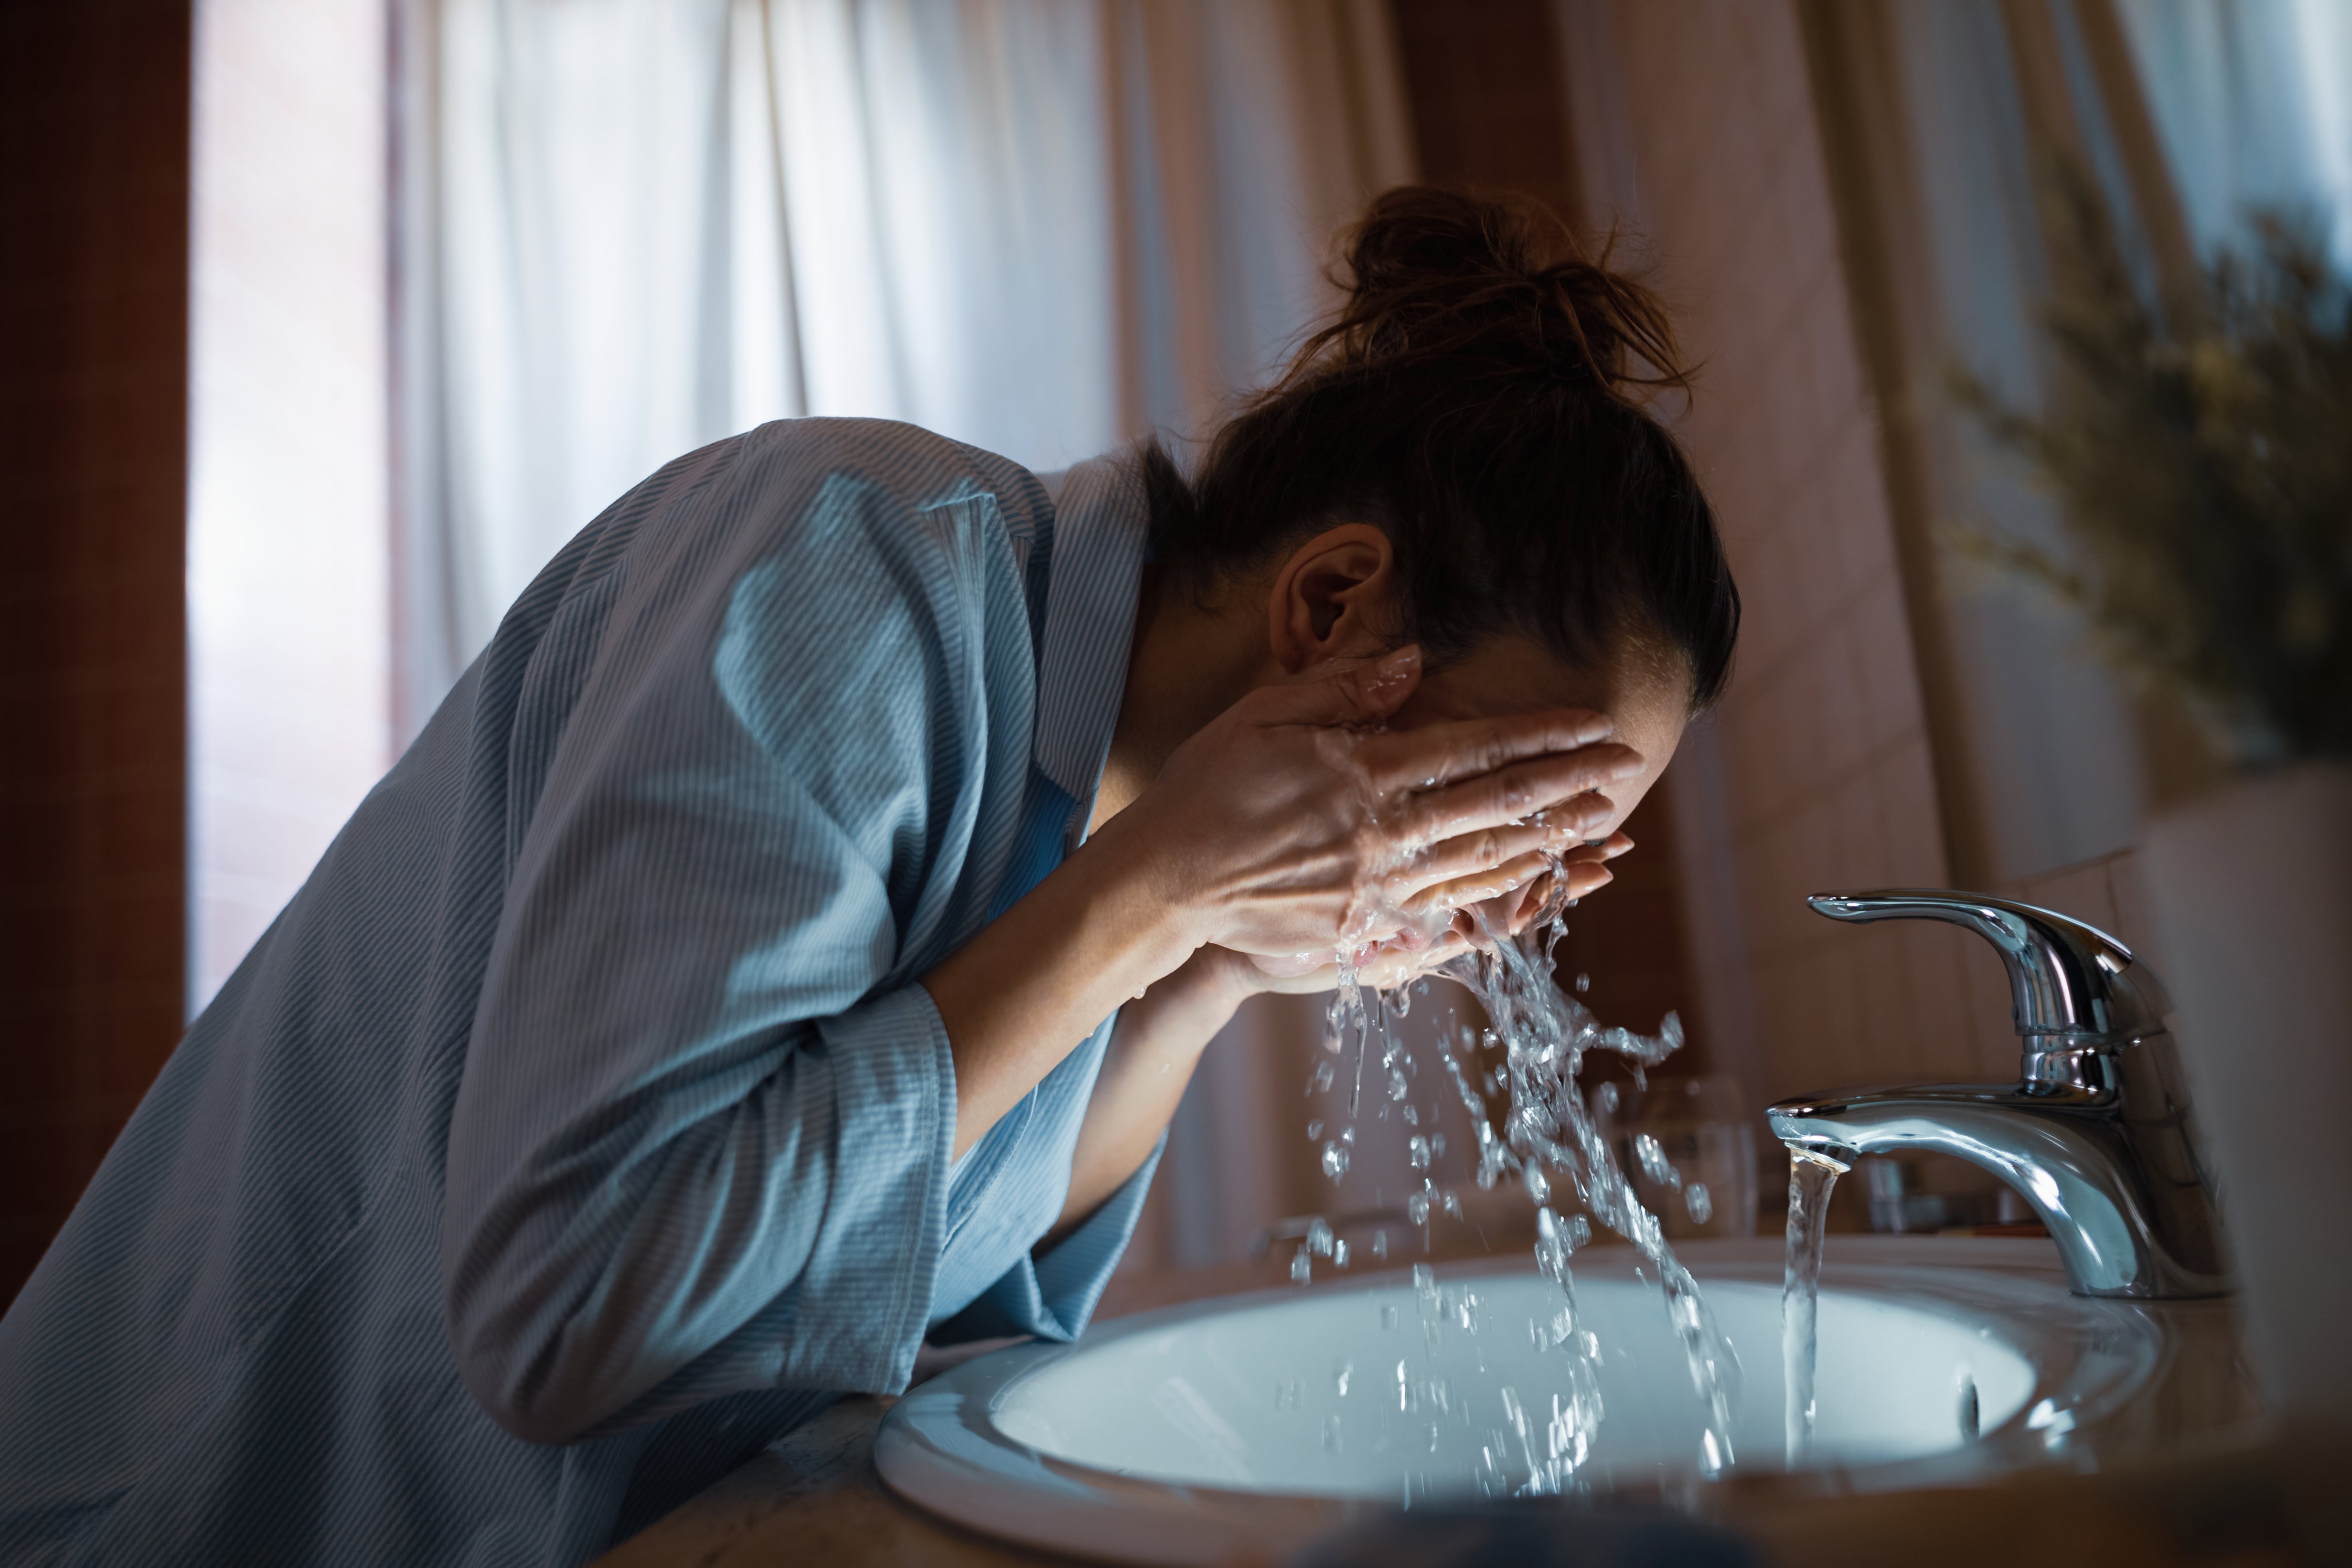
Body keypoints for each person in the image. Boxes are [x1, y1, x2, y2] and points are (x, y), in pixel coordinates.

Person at [0, 187, 1735, 1566]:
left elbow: (952, 1288)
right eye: (1509, 790)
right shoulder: (846, 572)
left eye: (1555, 851)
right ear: (1331, 607)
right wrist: (1145, 901)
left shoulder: (1088, 828)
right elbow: (570, 1311)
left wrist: (1213, 955)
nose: (1523, 890)